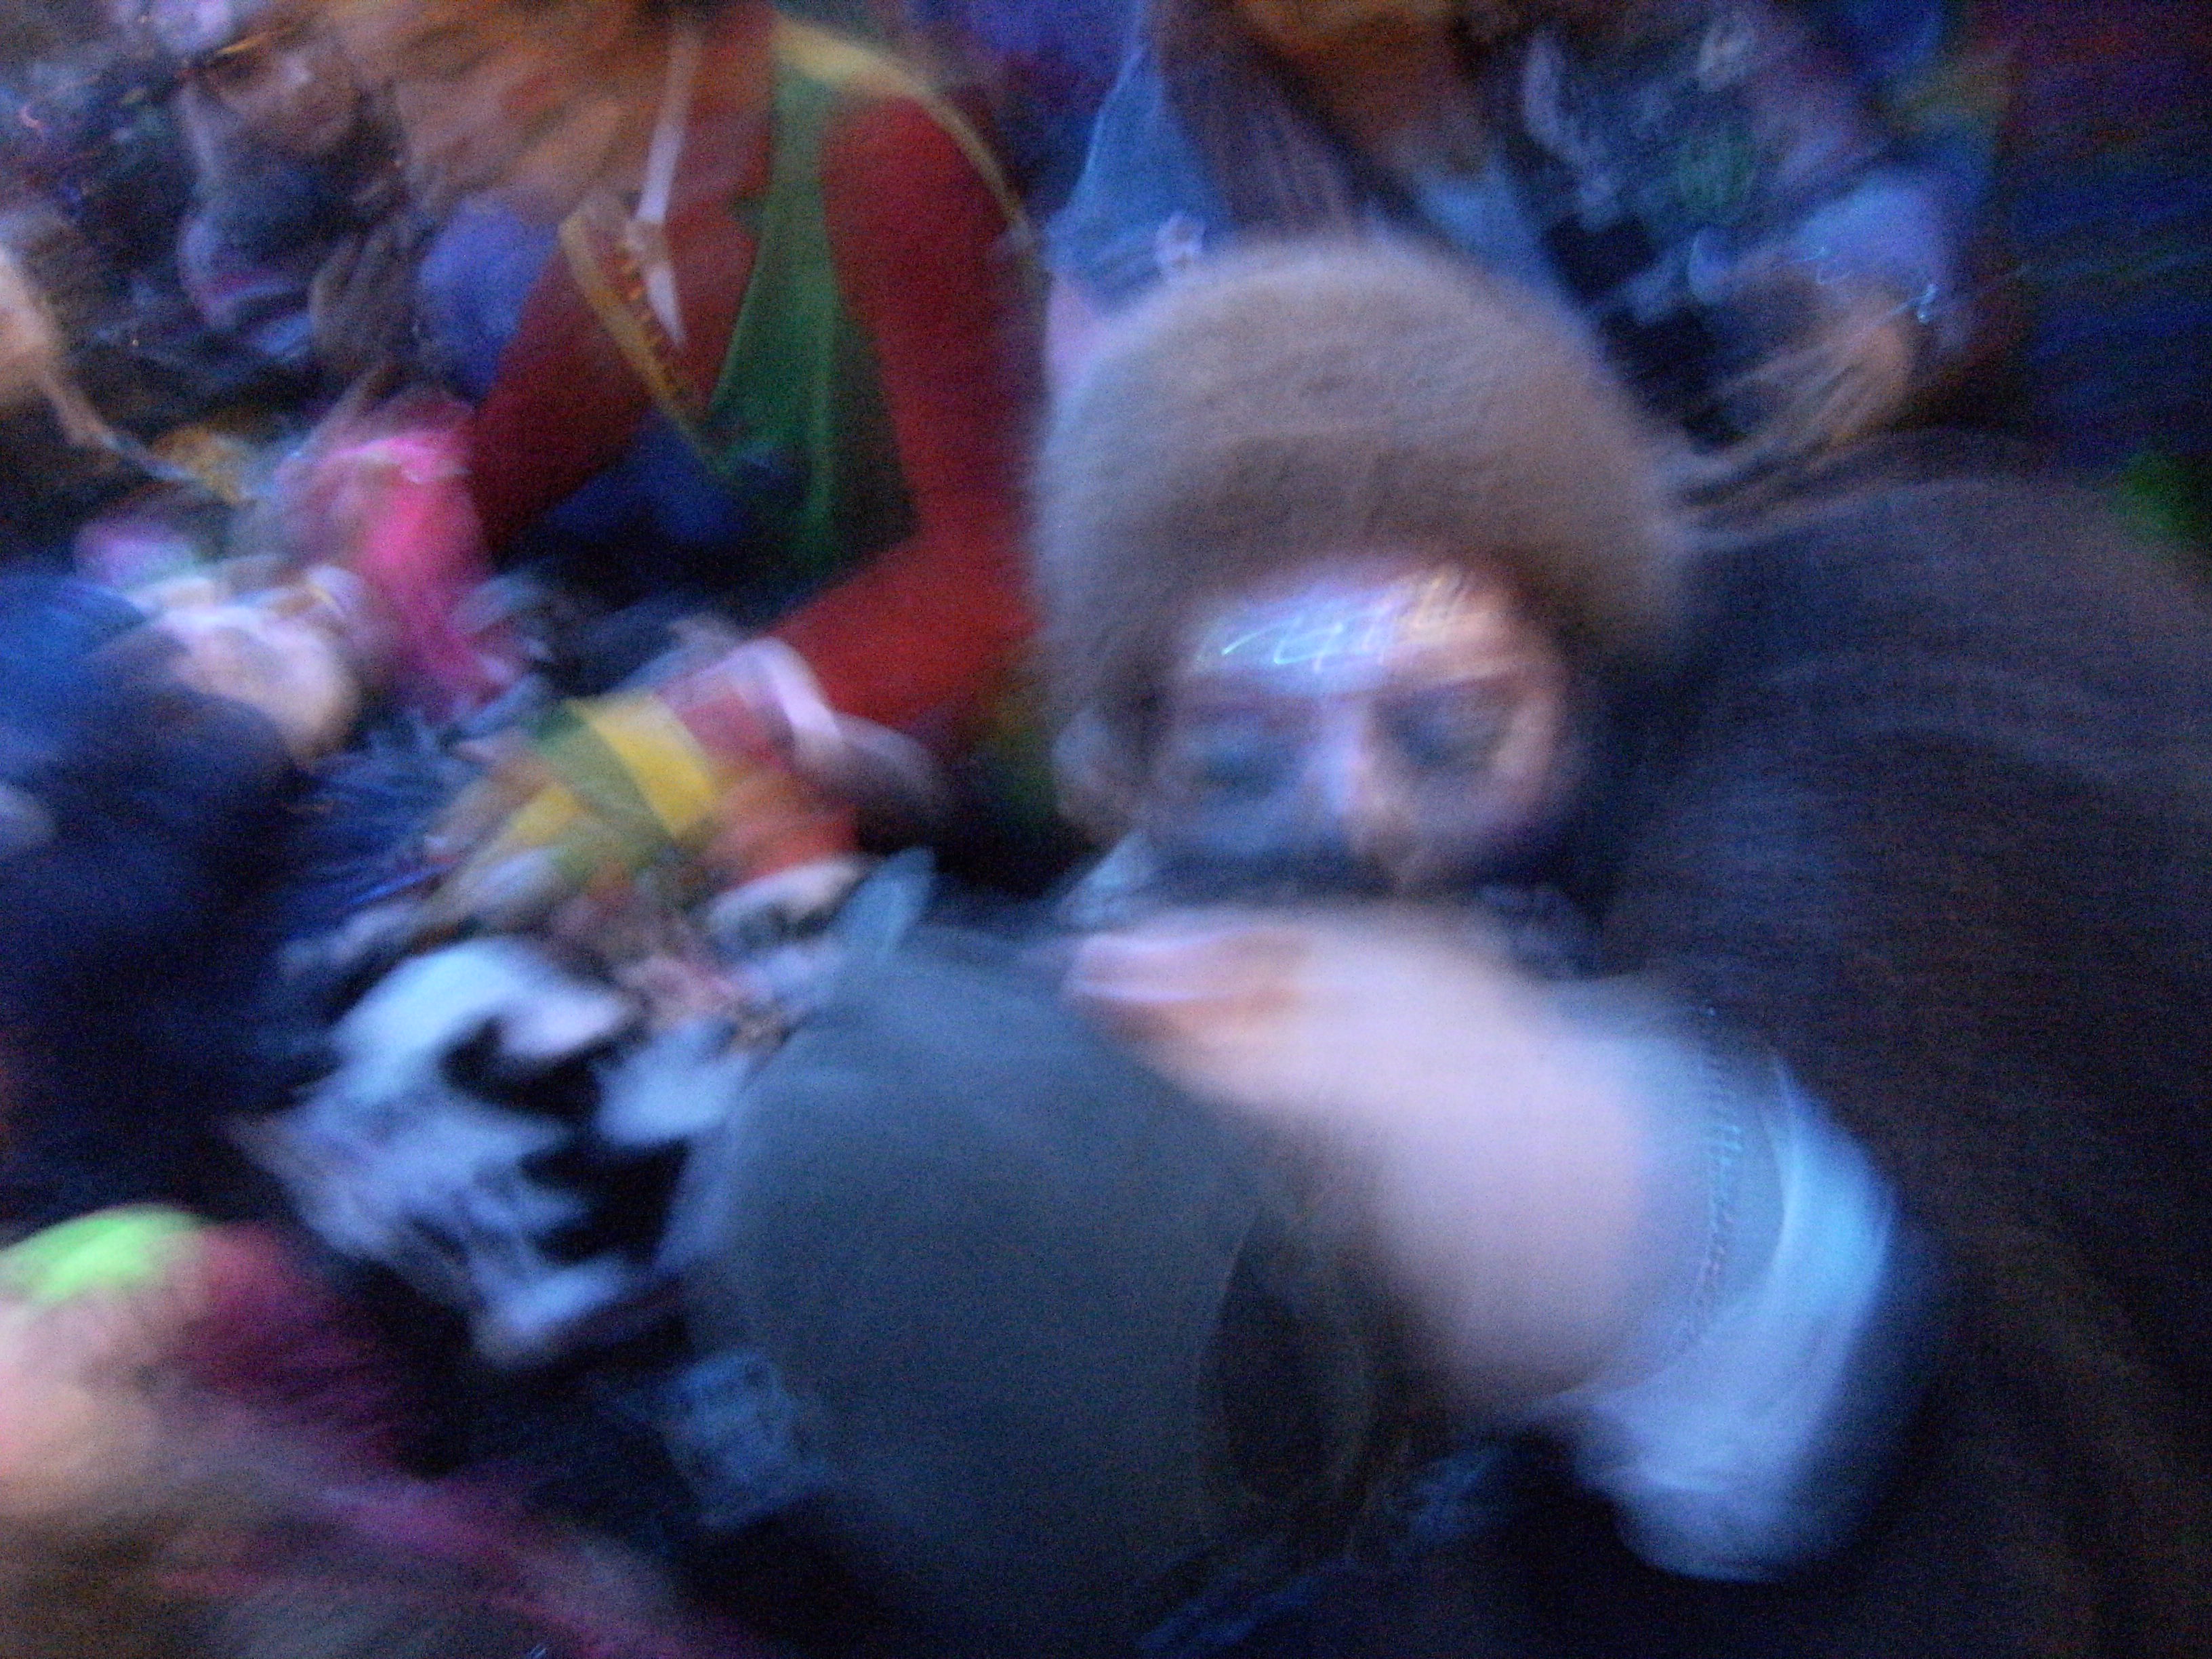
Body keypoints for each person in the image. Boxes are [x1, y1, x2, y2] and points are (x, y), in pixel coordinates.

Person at [1035, 241, 2212, 1656]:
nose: (1357, 816)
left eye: (1449, 730)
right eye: (1237, 758)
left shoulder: (1877, 752)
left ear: (1583, 680)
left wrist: (1640, 1221)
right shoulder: (1151, 954)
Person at [1048, 0, 1979, 489]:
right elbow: (1155, 455)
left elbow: (1853, 188)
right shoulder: (1167, 157)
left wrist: (1879, 312)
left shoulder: (1657, 25)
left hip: (1790, 528)